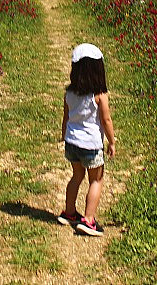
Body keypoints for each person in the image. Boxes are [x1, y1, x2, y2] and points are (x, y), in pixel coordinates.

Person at [57, 43, 116, 236]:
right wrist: (112, 141)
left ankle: (69, 212)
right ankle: (89, 220)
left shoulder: (70, 93)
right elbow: (106, 120)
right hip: (91, 145)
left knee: (76, 176)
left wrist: (64, 134)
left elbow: (66, 118)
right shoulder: (99, 96)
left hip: (72, 143)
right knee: (96, 180)